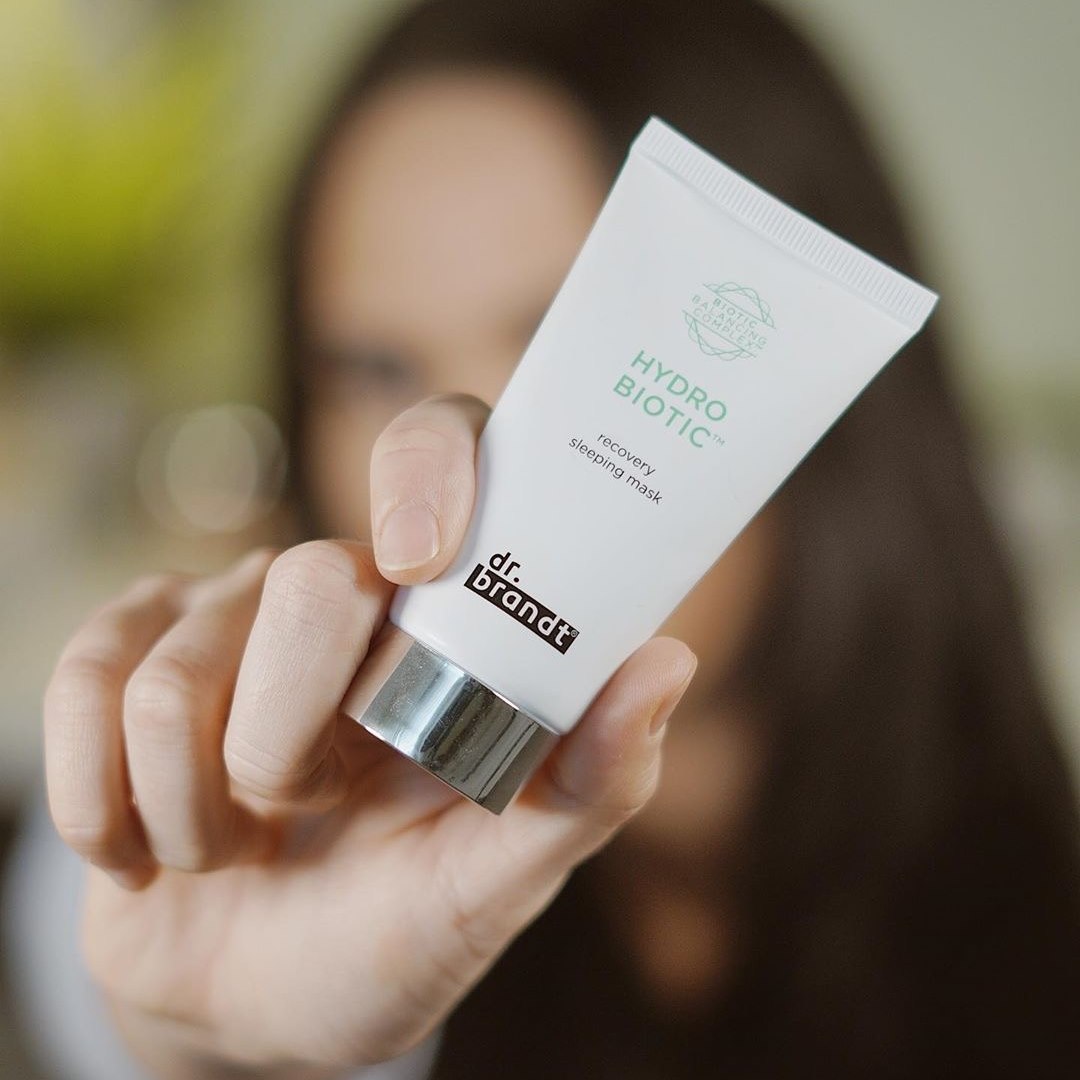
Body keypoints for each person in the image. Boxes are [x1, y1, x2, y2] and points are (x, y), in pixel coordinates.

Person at [6, 1, 1080, 1077]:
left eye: (567, 344)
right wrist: (219, 1049)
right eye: (375, 368)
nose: (479, 463)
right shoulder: (183, 835)